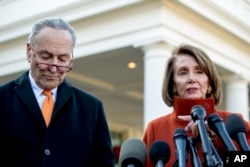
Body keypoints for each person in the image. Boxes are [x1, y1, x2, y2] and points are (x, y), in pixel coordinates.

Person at [0, 17, 115, 167]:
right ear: (29, 52)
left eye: (62, 59)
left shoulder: (92, 108)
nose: (54, 67)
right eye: (46, 57)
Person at [142, 43, 250, 167]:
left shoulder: (233, 123)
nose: (191, 78)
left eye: (199, 72)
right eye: (183, 73)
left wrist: (217, 136)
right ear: (173, 85)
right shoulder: (155, 128)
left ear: (210, 82)